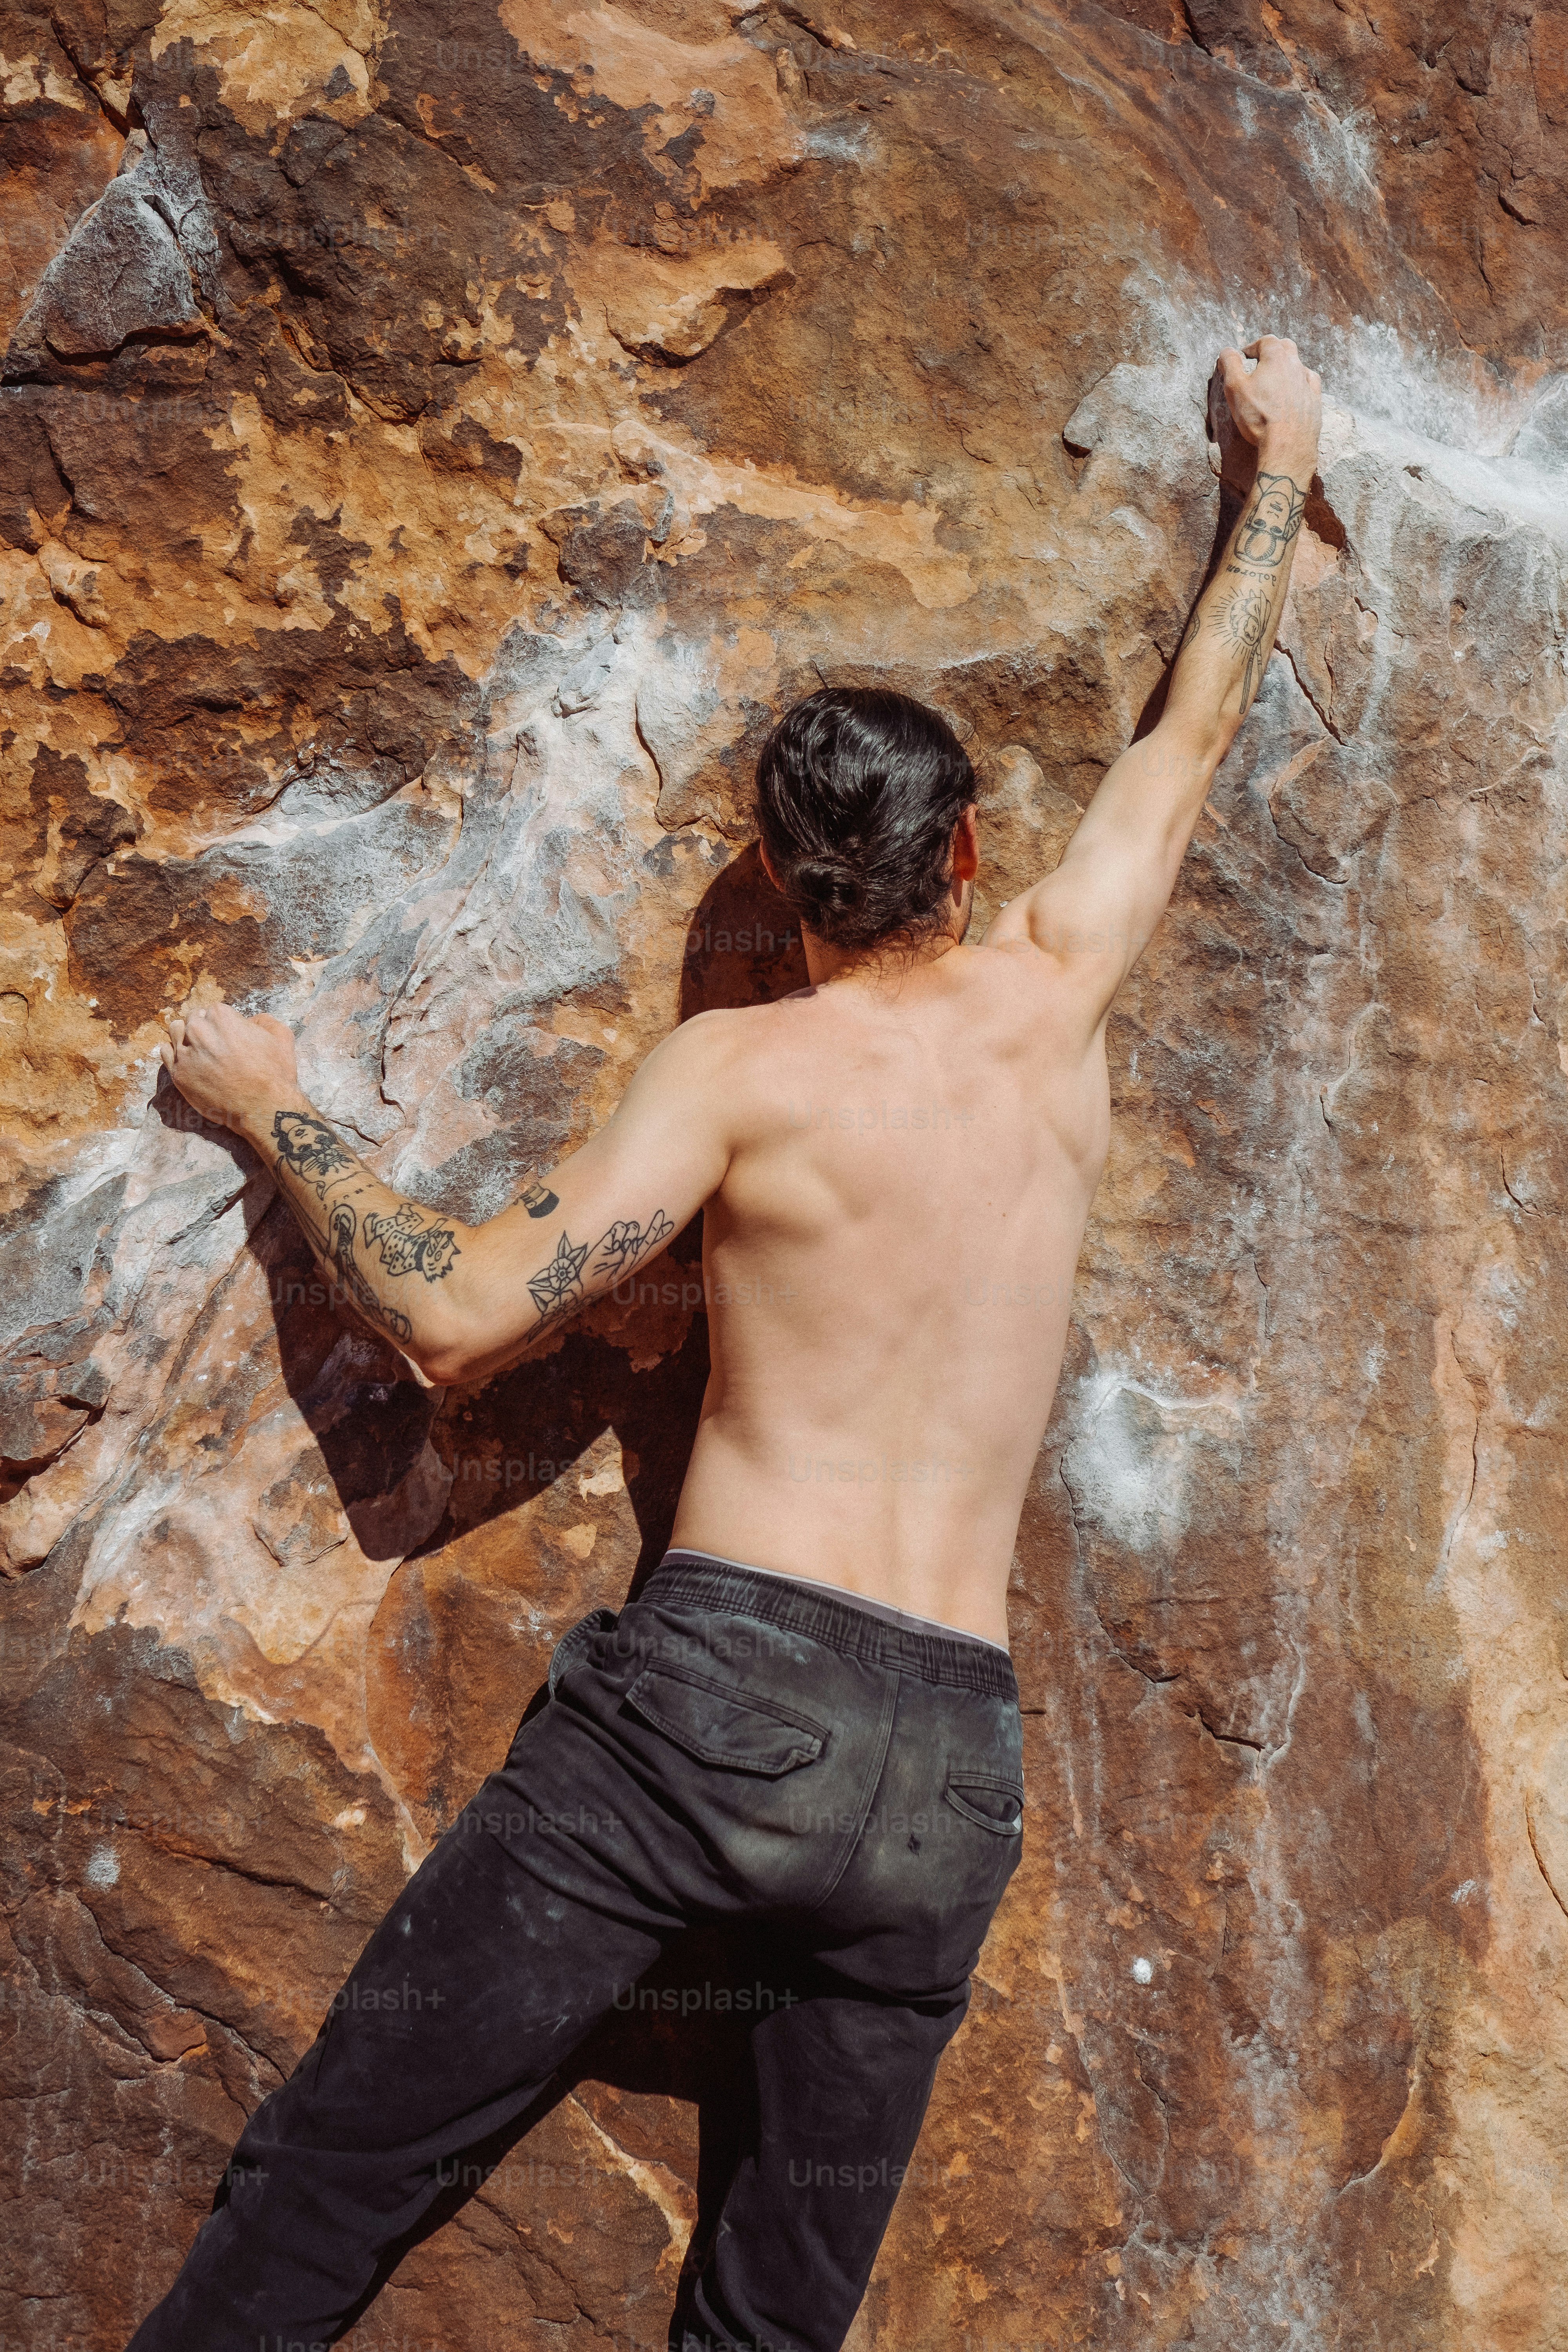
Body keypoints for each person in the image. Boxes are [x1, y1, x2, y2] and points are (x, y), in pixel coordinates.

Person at [130, 335, 1321, 2352]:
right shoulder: (1054, 994)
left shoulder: (742, 1072)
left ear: (777, 876)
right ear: (963, 854)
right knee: (772, 2330)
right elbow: (1187, 741)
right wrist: (1276, 467)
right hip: (951, 1768)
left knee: (337, 2180)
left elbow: (444, 1317)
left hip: (711, 1711)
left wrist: (275, 1107)